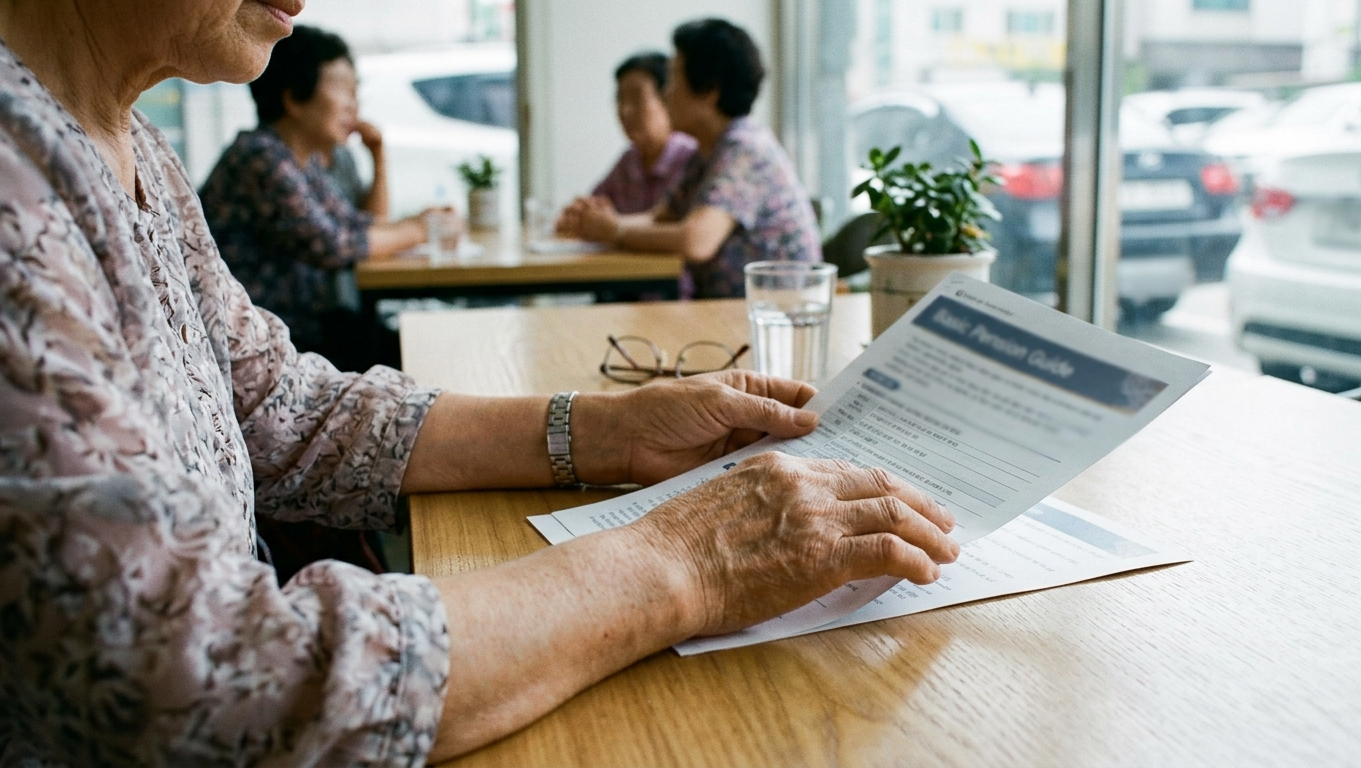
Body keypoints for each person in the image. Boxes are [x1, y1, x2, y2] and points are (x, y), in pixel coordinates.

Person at [0, 2, 960, 766]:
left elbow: (278, 409)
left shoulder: (133, 148)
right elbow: (198, 682)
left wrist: (604, 431)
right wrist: (690, 560)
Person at [200, 25, 454, 372]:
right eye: (343, 90)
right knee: (413, 356)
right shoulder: (259, 157)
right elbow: (333, 246)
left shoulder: (307, 162)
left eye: (356, 92)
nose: (355, 105)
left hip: (306, 328)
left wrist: (382, 162)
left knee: (420, 348)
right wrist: (422, 229)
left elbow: (363, 227)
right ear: (294, 100)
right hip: (263, 343)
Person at [557, 19, 821, 299]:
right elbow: (659, 217)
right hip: (733, 314)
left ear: (709, 91)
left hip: (777, 320)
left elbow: (697, 241)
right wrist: (597, 224)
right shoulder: (707, 152)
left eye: (673, 80)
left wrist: (616, 230)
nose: (666, 93)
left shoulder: (746, 149)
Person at [587, 51, 697, 215]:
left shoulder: (691, 157)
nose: (625, 110)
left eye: (636, 98)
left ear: (668, 98)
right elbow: (592, 205)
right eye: (620, 99)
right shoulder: (630, 159)